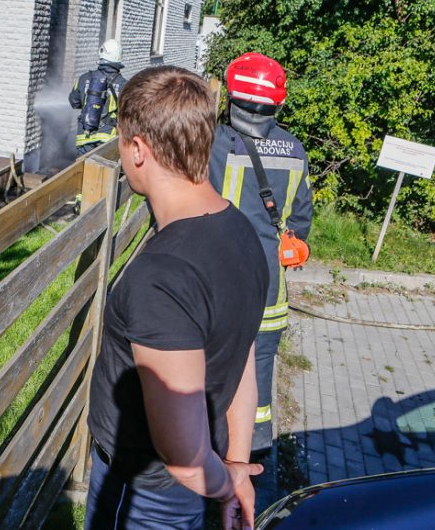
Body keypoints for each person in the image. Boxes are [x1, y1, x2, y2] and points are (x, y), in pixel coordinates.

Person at [86, 66, 269, 530]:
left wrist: (227, 483)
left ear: (139, 150)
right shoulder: (241, 232)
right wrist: (236, 462)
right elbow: (243, 357)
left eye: (123, 142)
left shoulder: (161, 278)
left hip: (144, 494)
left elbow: (185, 459)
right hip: (201, 475)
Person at [208, 52, 313, 456]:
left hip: (220, 284)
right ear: (278, 102)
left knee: (214, 366)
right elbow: (301, 220)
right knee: (261, 369)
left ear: (230, 97)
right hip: (270, 289)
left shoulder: (215, 144)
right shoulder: (294, 149)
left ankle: (211, 445)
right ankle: (256, 450)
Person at [70, 39, 127, 155]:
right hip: (107, 140)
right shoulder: (124, 84)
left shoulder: (83, 78)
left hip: (84, 139)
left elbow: (74, 102)